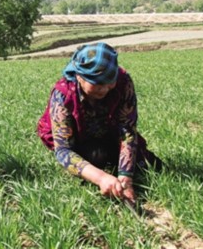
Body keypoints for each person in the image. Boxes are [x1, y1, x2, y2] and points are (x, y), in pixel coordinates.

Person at [37, 42, 162, 203]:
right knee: (95, 156)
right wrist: (101, 178)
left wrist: (126, 177)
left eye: (110, 82)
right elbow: (64, 150)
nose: (105, 89)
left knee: (149, 164)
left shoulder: (124, 82)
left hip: (108, 128)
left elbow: (127, 130)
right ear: (79, 77)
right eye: (98, 84)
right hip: (78, 136)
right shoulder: (63, 94)